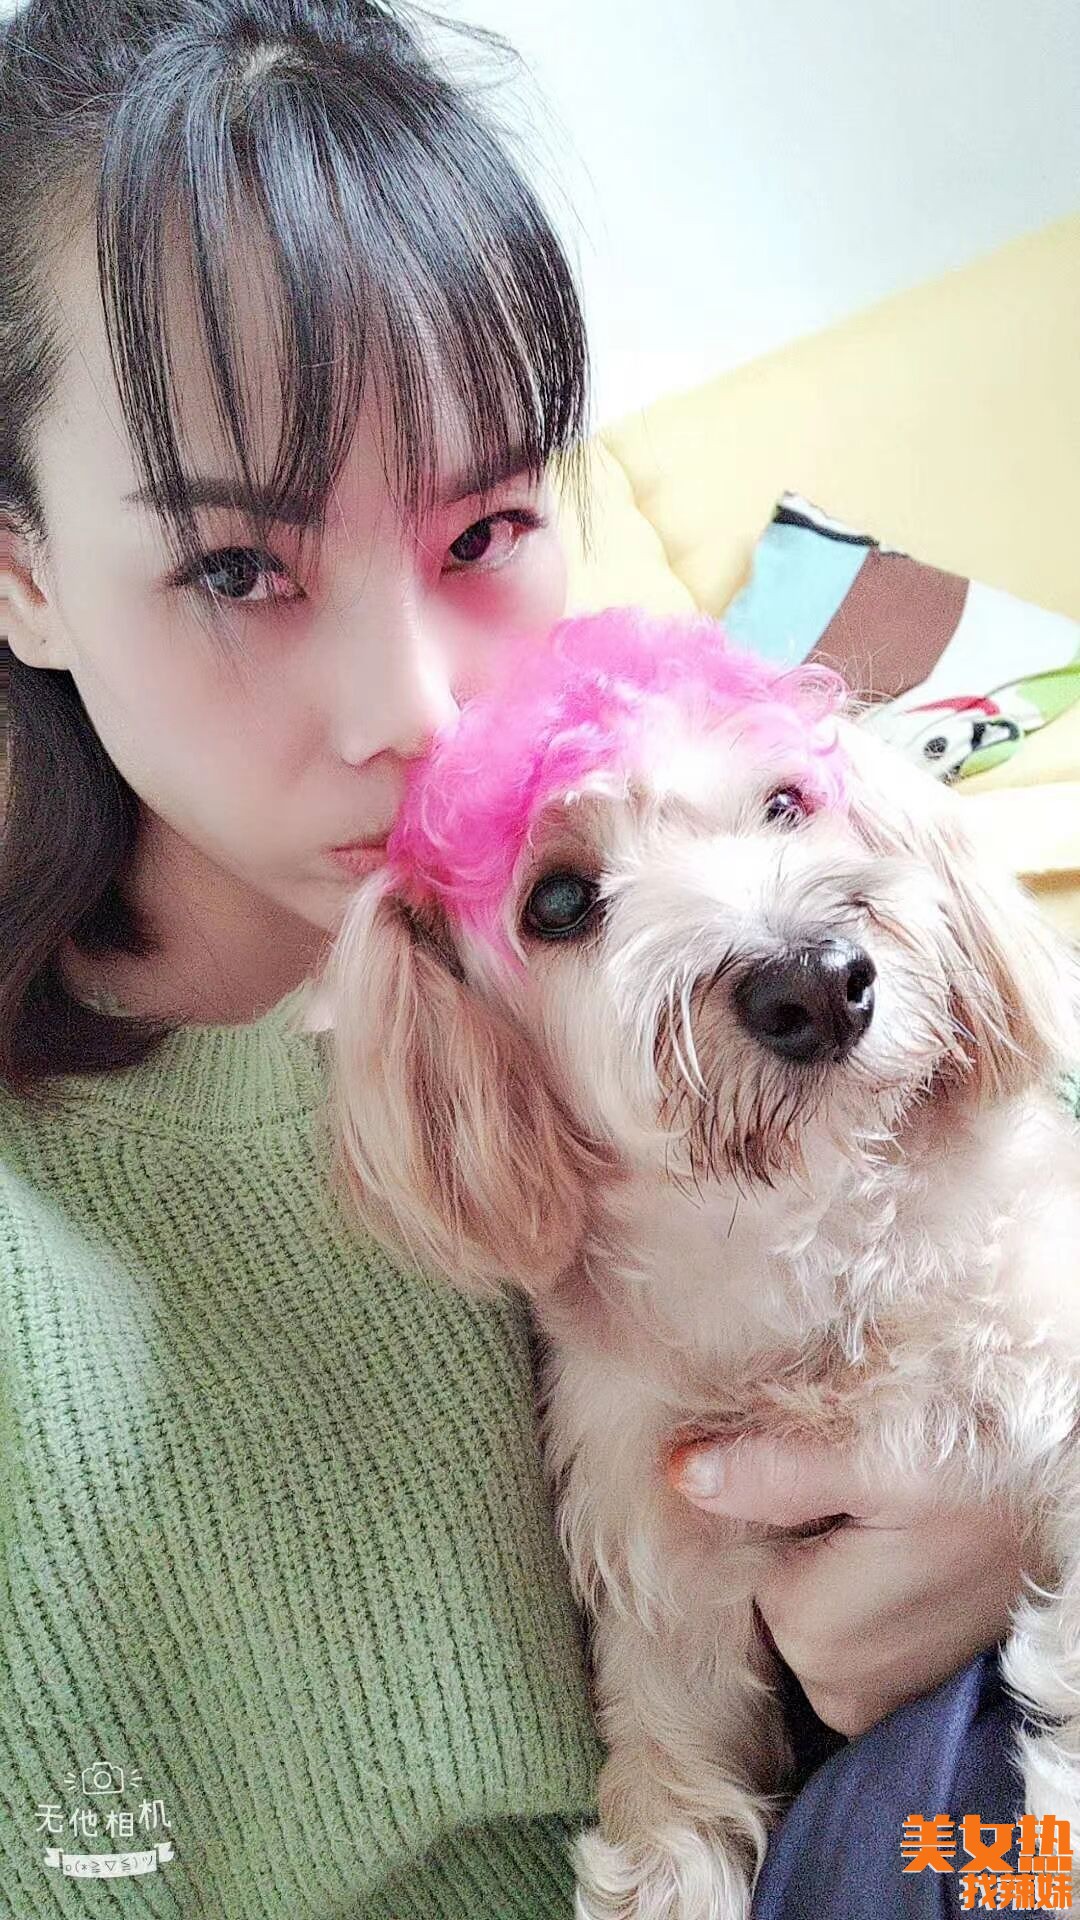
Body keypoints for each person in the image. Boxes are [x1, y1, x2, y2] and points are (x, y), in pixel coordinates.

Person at [0, 2, 1056, 1913]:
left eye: (487, 522)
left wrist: (1025, 1499)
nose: (414, 710)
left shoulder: (745, 852)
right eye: (239, 569)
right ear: (21, 572)